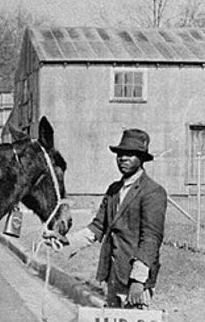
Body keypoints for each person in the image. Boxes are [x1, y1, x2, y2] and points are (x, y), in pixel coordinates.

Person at [49, 128, 167, 309]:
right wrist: (67, 241)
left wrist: (138, 280)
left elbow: (151, 239)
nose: (123, 159)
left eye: (131, 155)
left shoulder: (153, 192)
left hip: (136, 283)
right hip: (113, 277)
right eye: (120, 154)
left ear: (142, 159)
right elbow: (97, 227)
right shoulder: (113, 190)